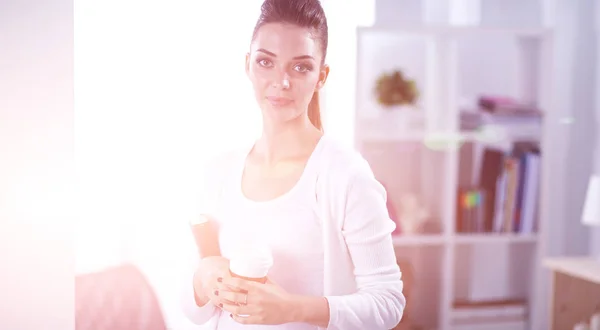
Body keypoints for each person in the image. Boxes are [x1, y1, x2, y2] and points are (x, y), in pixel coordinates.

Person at [181, 0, 406, 329]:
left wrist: (292, 309)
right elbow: (193, 310)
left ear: (321, 76)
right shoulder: (218, 173)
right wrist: (203, 281)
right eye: (265, 62)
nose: (281, 81)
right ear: (248, 65)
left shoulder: (344, 175)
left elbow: (388, 303)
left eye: (300, 67)